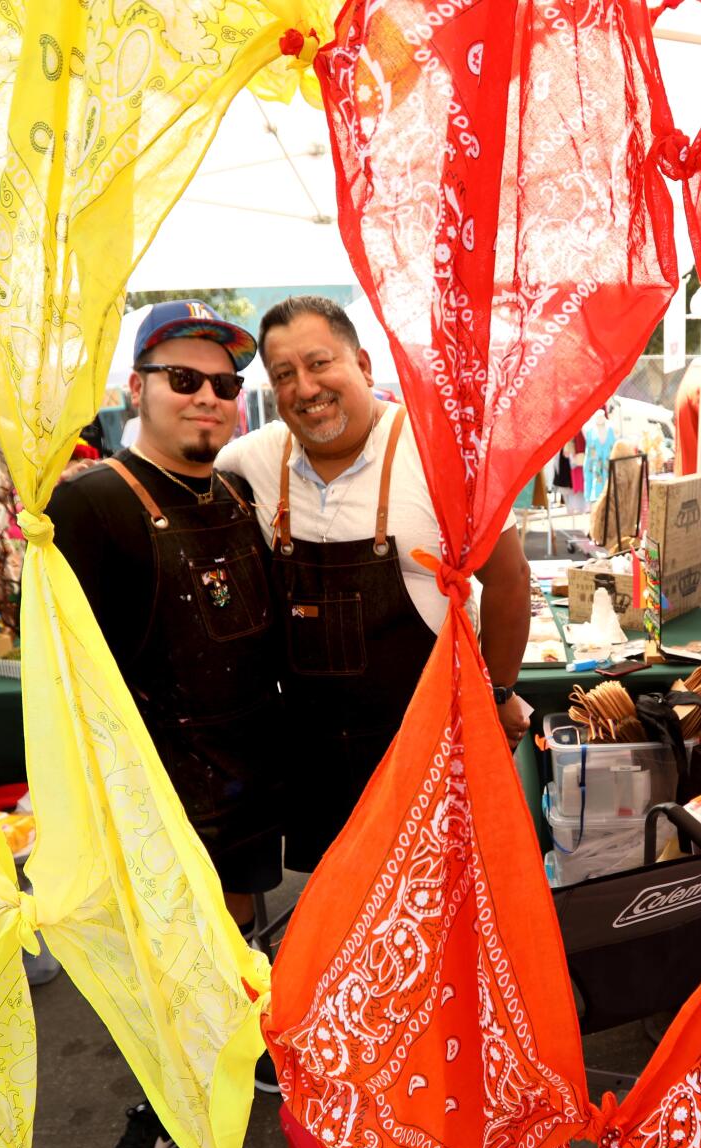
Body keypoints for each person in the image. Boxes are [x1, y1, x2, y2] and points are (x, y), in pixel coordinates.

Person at [44, 300, 284, 1148]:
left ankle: (243, 1051)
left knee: (234, 944)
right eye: (183, 379)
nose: (208, 399)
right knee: (163, 973)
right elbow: (73, 681)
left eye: (225, 385)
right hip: (157, 795)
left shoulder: (232, 494)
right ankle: (155, 1115)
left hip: (243, 780)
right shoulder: (92, 501)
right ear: (136, 387)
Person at [218, 294, 533, 875]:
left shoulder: (441, 451)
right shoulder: (253, 459)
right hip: (317, 758)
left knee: (434, 904)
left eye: (319, 364)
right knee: (338, 912)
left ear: (363, 365)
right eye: (283, 375)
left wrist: (499, 697)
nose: (305, 388)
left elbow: (511, 579)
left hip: (428, 742)